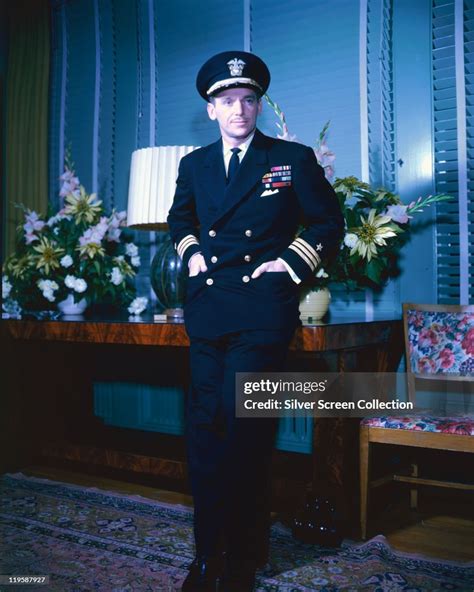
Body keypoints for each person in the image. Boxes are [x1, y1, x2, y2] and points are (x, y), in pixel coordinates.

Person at [167, 50, 344, 592]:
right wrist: (192, 252)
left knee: (243, 428)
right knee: (204, 432)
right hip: (210, 311)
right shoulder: (194, 164)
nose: (239, 110)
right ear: (211, 108)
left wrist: (288, 264)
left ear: (258, 104)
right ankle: (207, 555)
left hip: (263, 311)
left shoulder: (290, 158)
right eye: (227, 101)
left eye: (248, 99)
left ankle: (241, 559)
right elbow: (180, 217)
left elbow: (328, 222)